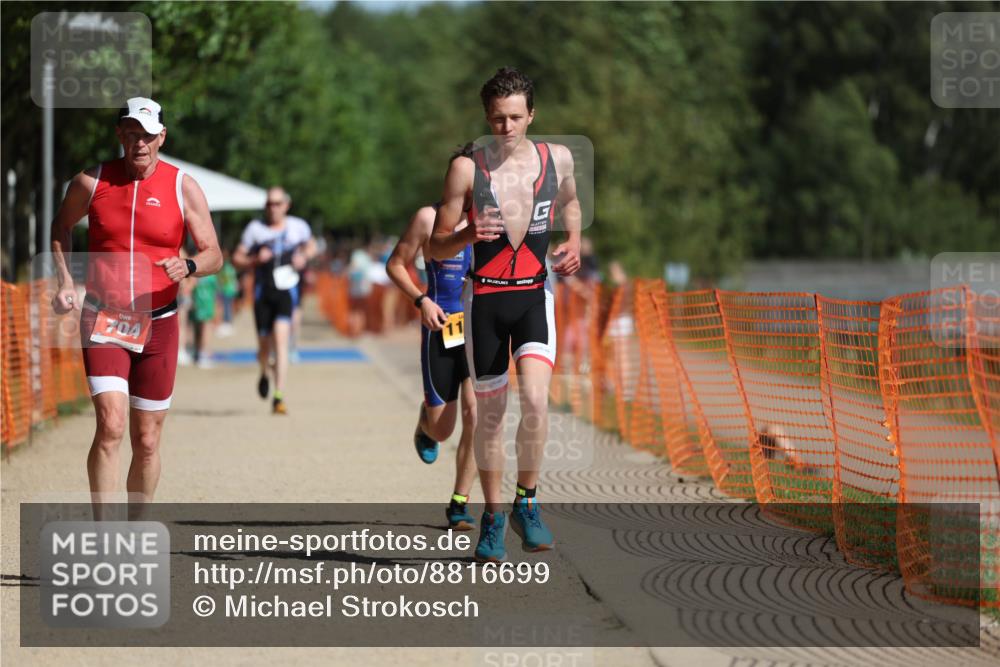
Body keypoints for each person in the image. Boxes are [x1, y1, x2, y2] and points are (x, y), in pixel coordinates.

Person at [429, 68, 582, 562]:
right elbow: (436, 245)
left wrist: (574, 240)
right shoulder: (466, 169)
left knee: (536, 403)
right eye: (497, 119)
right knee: (491, 418)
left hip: (534, 296)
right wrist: (467, 237)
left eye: (515, 117)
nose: (507, 127)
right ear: (485, 118)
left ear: (532, 115)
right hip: (486, 301)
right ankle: (493, 516)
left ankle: (527, 502)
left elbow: (571, 202)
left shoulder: (556, 158)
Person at [50, 97, 222, 516]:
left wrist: (190, 265)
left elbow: (215, 253)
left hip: (160, 323)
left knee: (146, 440)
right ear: (120, 135)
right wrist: (65, 281)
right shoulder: (91, 182)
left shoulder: (183, 186)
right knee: (110, 425)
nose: (139, 143)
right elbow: (61, 228)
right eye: (131, 133)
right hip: (104, 316)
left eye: (147, 134)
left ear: (162, 137)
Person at [387, 186, 479, 530]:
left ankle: (459, 502)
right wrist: (420, 300)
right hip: (441, 325)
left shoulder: (491, 219)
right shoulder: (428, 218)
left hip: (478, 328)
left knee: (477, 414)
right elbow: (395, 264)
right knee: (443, 430)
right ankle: (426, 422)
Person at [233, 187, 316, 415]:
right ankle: (263, 371)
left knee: (281, 342)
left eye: (278, 203)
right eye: (269, 203)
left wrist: (304, 257)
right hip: (262, 294)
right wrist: (254, 259)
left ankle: (278, 396)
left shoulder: (299, 227)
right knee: (263, 348)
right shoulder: (255, 230)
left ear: (286, 205)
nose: (273, 208)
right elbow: (237, 257)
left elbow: (312, 245)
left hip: (287, 292)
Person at [190, 273, 218, 369]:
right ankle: (203, 354)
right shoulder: (207, 271)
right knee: (205, 328)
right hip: (205, 303)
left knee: (199, 328)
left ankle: (198, 353)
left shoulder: (197, 271)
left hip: (202, 303)